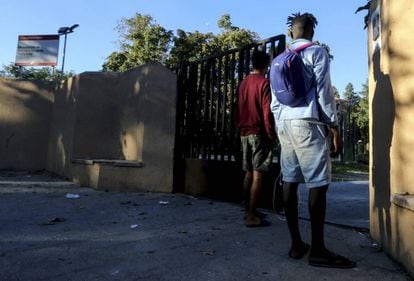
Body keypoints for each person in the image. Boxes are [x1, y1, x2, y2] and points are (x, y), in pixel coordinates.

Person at [270, 12, 356, 268]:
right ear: (311, 33)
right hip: (308, 123)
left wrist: (280, 126)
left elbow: (275, 102)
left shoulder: (279, 59)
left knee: (290, 180)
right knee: (318, 183)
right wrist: (334, 126)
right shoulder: (316, 52)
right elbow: (324, 93)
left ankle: (297, 244)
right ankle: (318, 250)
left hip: (284, 124)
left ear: (290, 33)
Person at [236, 50, 276, 227]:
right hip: (259, 132)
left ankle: (247, 209)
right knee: (258, 174)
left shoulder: (243, 83)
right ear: (266, 64)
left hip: (244, 132)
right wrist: (270, 132)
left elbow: (237, 108)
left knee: (248, 172)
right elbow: (267, 112)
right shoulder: (265, 83)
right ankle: (252, 216)